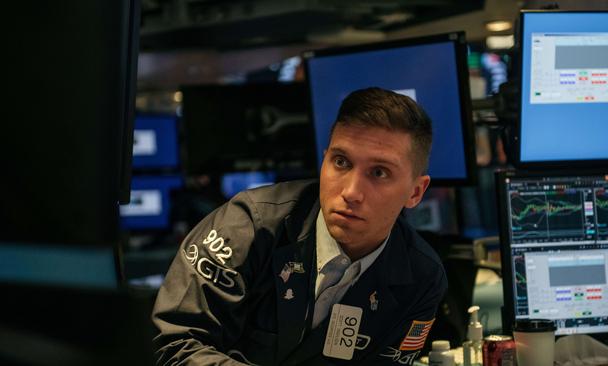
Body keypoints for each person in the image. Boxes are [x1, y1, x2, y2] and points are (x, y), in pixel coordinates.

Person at [152, 87, 448, 366]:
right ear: (324, 161)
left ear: (415, 193)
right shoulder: (248, 226)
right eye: (341, 162)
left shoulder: (421, 277)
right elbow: (176, 345)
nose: (352, 192)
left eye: (379, 172)